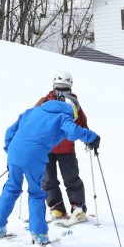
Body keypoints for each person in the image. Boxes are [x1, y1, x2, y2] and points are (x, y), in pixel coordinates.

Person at [0, 96, 100, 245]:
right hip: (34, 156)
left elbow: (10, 130)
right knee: (36, 192)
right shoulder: (63, 116)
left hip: (15, 153)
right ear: (73, 110)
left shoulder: (32, 111)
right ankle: (40, 235)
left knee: (11, 188)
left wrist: (12, 151)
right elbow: (72, 131)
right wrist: (92, 137)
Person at [35, 71, 90, 223]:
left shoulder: (73, 104)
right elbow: (33, 120)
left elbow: (82, 124)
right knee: (48, 180)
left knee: (71, 178)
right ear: (53, 87)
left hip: (67, 149)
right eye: (59, 88)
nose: (62, 92)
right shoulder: (44, 101)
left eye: (65, 88)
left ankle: (78, 208)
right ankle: (57, 208)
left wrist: (87, 138)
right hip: (47, 148)